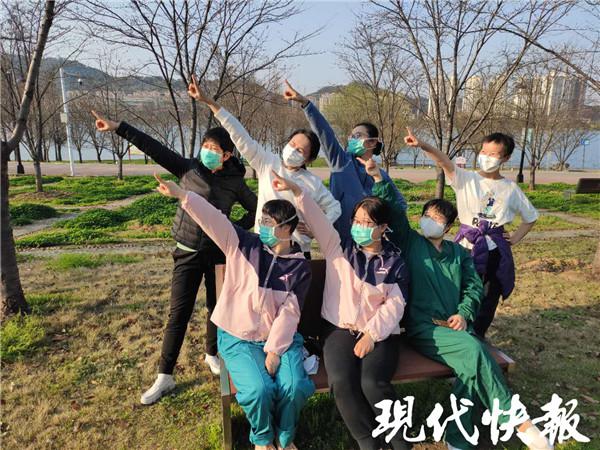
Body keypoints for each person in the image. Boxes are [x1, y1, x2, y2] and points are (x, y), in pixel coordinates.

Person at [362, 157, 552, 450]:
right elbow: (396, 213)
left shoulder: (460, 254)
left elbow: (474, 289)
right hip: (424, 328)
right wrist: (378, 178)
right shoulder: (411, 243)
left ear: (449, 226)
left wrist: (464, 314)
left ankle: (458, 439)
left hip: (457, 327)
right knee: (475, 350)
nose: (431, 221)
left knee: (469, 368)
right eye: (428, 215)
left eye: (438, 219)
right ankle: (518, 420)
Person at [92, 111, 257, 404]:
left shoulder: (235, 182)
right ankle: (165, 375)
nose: (207, 152)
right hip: (188, 252)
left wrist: (233, 231)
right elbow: (154, 147)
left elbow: (256, 209)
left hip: (219, 255)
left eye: (214, 149)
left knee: (216, 309)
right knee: (178, 313)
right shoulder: (188, 169)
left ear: (227, 155)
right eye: (205, 146)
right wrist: (119, 128)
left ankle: (211, 353)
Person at [155, 173, 313, 450]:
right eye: (262, 220)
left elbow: (290, 313)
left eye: (270, 223)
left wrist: (275, 351)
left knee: (295, 385)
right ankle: (263, 439)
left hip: (280, 339)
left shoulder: (299, 267)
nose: (263, 226)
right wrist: (183, 195)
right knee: (258, 389)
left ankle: (285, 438)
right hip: (238, 337)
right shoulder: (243, 244)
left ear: (288, 228)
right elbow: (214, 219)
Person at [271, 170, 409, 450]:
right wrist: (297, 191)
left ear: (383, 227)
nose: (359, 227)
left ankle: (400, 439)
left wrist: (372, 335)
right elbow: (319, 221)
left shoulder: (394, 262)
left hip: (380, 332)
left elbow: (396, 304)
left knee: (372, 382)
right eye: (356, 220)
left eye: (367, 222)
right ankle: (368, 441)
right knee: (341, 381)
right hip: (338, 329)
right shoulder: (339, 248)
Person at [187, 75, 341, 258]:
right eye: (292, 144)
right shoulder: (267, 162)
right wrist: (209, 102)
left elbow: (335, 208)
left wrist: (314, 229)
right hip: (264, 247)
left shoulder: (312, 182)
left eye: (300, 150)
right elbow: (239, 134)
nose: (292, 150)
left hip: (297, 253)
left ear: (309, 159)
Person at [404, 129, 538, 339]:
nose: (486, 157)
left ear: (505, 158)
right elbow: (443, 162)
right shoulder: (466, 178)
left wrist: (514, 239)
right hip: (465, 248)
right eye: (484, 152)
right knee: (458, 291)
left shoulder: (511, 189)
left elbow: (530, 217)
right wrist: (422, 145)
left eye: (493, 154)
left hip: (493, 253)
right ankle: (455, 333)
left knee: (487, 297)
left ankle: (477, 335)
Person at [282, 80, 407, 241]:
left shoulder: (381, 175)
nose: (352, 139)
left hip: (369, 241)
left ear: (372, 142)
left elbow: (399, 206)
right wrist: (306, 104)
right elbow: (325, 133)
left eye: (358, 136)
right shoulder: (341, 162)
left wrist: (378, 181)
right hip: (340, 240)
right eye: (351, 136)